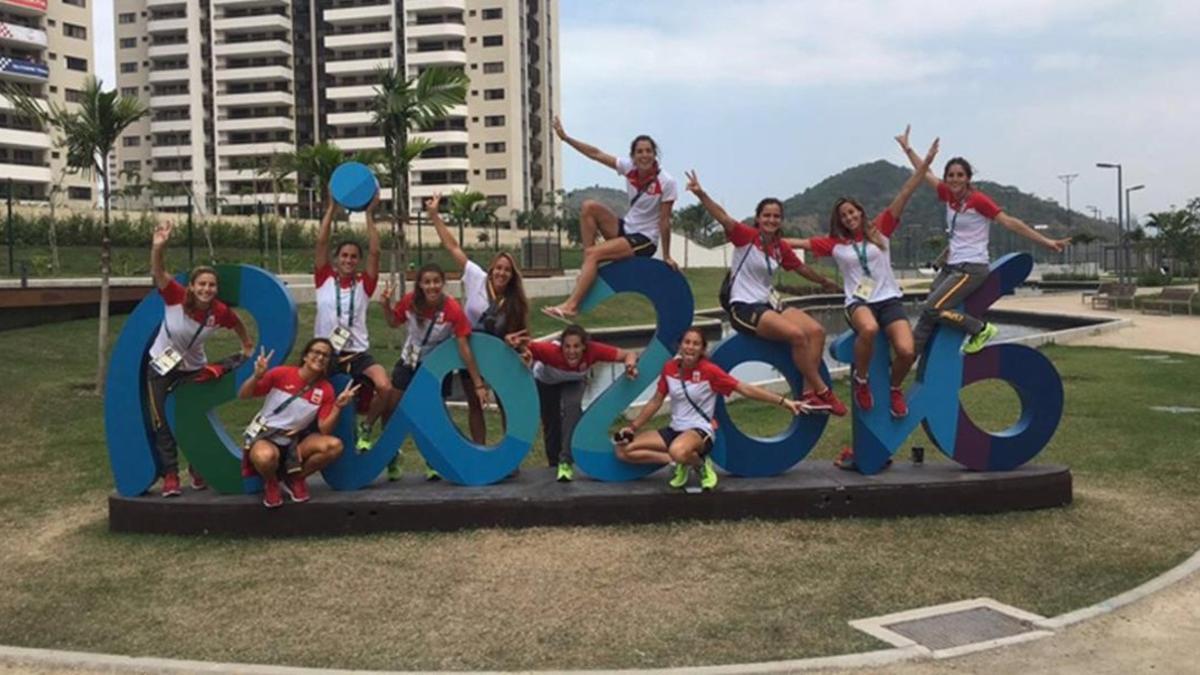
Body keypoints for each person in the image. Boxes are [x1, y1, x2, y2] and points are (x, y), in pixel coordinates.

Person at [785, 137, 941, 418]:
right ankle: (861, 381)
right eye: (844, 215)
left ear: (860, 211)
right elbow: (799, 243)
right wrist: (760, 240)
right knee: (868, 330)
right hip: (859, 302)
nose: (849, 217)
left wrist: (925, 163)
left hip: (889, 299)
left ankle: (895, 388)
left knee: (907, 351)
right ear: (839, 220)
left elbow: (905, 193)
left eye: (852, 212)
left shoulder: (881, 229)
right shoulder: (834, 244)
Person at [896, 126, 1071, 355]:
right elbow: (923, 172)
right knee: (930, 306)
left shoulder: (978, 200)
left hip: (971, 267)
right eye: (951, 175)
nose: (955, 179)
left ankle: (980, 329)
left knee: (934, 308)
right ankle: (910, 355)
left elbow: (1010, 222)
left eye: (960, 175)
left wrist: (1046, 241)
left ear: (968, 178)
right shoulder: (948, 195)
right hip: (952, 266)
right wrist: (907, 148)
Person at [685, 171, 847, 415]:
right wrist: (700, 193)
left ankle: (809, 395)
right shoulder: (746, 237)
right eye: (767, 215)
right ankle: (824, 391)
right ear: (758, 218)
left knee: (816, 331)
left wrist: (826, 283)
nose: (771, 220)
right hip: (744, 308)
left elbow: (801, 268)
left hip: (768, 305)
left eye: (776, 216)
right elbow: (723, 218)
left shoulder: (780, 247)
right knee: (797, 335)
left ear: (781, 220)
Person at [613, 327, 808, 491]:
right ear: (680, 345)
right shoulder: (669, 368)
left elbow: (744, 389)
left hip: (699, 431)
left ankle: (699, 464)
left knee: (678, 450)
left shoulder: (709, 371)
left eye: (696, 343)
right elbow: (655, 401)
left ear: (702, 349)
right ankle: (678, 460)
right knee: (623, 451)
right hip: (675, 430)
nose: (690, 347)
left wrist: (784, 402)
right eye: (687, 342)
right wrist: (632, 427)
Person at [146, 220, 253, 497]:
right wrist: (159, 247)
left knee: (194, 418)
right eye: (202, 284)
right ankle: (171, 475)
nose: (207, 289)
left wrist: (247, 344)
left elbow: (238, 323)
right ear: (191, 286)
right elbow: (158, 271)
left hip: (193, 369)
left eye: (212, 285)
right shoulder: (175, 297)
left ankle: (198, 468)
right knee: (164, 421)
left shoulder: (218, 311)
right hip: (161, 366)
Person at [542, 117, 678, 320]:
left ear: (654, 154)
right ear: (633, 155)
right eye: (639, 151)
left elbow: (664, 222)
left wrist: (666, 255)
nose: (644, 155)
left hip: (645, 240)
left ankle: (571, 306)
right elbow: (596, 154)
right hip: (626, 228)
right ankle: (588, 262)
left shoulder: (667, 182)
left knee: (594, 255)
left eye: (648, 151)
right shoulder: (628, 167)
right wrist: (566, 138)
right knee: (589, 207)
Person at [426, 192, 529, 444]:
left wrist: (520, 348)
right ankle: (480, 451)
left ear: (512, 275)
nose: (502, 273)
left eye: (507, 270)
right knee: (475, 403)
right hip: (470, 352)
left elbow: (522, 337)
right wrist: (434, 216)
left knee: (505, 404)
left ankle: (509, 455)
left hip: (497, 357)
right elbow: (452, 246)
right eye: (499, 268)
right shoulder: (475, 277)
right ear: (492, 268)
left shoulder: (515, 302)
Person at [381, 263, 486, 481]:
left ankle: (433, 461)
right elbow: (393, 322)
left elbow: (464, 347)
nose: (432, 286)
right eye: (427, 282)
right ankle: (390, 456)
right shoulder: (410, 301)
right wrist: (385, 305)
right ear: (420, 284)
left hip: (433, 368)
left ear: (443, 283)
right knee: (393, 407)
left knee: (433, 415)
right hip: (408, 362)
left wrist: (477, 383)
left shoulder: (452, 310)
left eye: (436, 281)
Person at [313, 191, 392, 452]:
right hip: (326, 354)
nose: (348, 260)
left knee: (384, 386)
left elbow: (375, 251)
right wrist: (332, 208)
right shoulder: (323, 279)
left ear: (358, 261)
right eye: (344, 255)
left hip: (357, 353)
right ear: (337, 259)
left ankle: (367, 427)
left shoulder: (364, 285)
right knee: (314, 400)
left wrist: (369, 214)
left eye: (353, 257)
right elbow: (321, 243)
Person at [238, 340, 354, 509]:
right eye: (316, 352)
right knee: (265, 457)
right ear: (306, 356)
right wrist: (257, 376)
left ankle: (295, 478)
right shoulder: (281, 374)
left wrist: (337, 406)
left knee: (334, 446)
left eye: (325, 355)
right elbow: (244, 395)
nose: (320, 357)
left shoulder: (326, 389)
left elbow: (324, 429)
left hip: (295, 442)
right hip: (268, 436)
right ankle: (272, 483)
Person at [519, 324, 638, 482]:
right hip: (546, 381)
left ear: (584, 347)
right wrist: (517, 345)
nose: (571, 351)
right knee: (551, 422)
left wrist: (630, 365)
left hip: (574, 380)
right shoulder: (549, 351)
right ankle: (553, 465)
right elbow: (522, 346)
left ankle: (565, 462)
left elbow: (629, 354)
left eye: (576, 346)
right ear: (561, 347)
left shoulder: (593, 350)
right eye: (567, 346)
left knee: (572, 409)